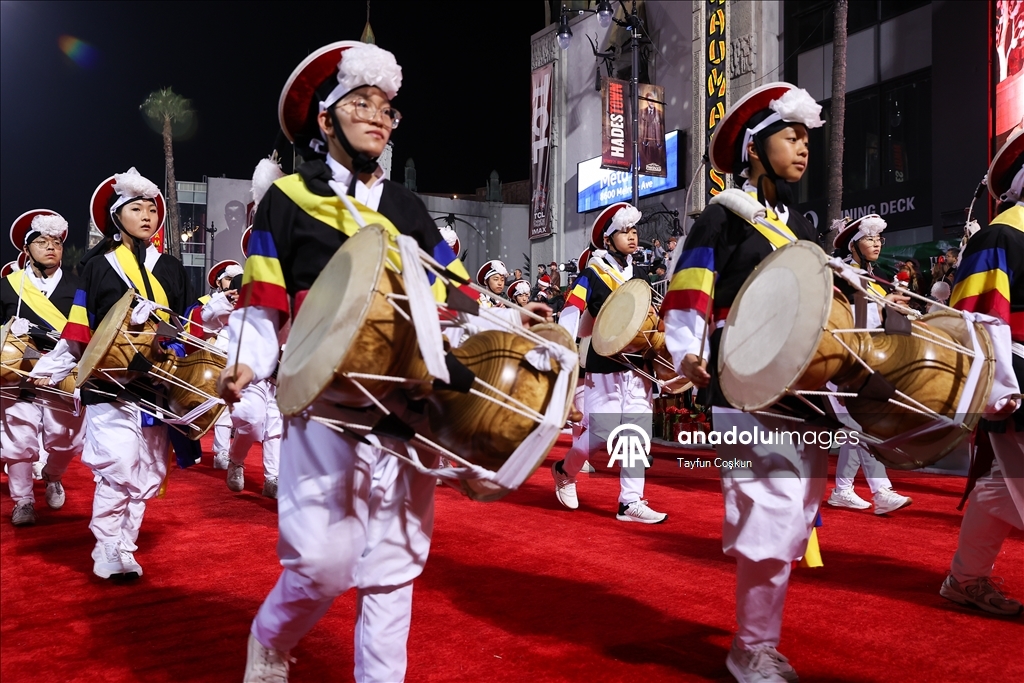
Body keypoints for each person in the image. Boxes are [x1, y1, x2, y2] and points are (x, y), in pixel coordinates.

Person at [216, 41, 470, 683]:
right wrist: (246, 362)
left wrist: (499, 319)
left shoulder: (408, 207)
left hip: (405, 406)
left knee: (392, 570)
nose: (379, 117)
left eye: (388, 107)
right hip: (324, 404)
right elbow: (264, 301)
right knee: (325, 563)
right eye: (362, 102)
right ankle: (270, 639)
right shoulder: (288, 200)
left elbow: (453, 289)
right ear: (325, 119)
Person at [663, 83, 826, 682]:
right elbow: (690, 288)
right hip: (742, 375)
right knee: (770, 505)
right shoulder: (724, 216)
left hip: (799, 384)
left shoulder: (801, 224)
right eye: (791, 136)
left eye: (806, 137)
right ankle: (750, 647)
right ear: (755, 150)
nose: (803, 148)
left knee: (795, 508)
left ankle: (762, 639)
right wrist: (685, 354)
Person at [30, 168, 192, 580]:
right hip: (108, 383)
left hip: (156, 385)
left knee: (148, 474)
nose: (147, 216)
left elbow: (185, 324)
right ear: (117, 217)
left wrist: (171, 338)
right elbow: (79, 327)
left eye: (152, 209)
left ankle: (125, 545)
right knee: (119, 463)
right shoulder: (99, 266)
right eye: (136, 208)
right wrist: (55, 365)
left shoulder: (172, 267)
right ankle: (105, 544)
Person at [940, 128, 1024, 617]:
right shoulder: (1002, 234)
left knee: (1002, 487)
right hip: (1019, 381)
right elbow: (977, 320)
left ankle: (966, 578)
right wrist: (999, 390)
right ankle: (965, 577)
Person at [551, 201, 668, 524]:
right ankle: (564, 470)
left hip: (638, 364)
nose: (633, 236)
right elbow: (572, 311)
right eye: (625, 231)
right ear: (608, 238)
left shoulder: (640, 273)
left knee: (635, 431)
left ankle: (629, 502)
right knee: (601, 433)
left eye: (634, 230)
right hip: (605, 361)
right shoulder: (593, 273)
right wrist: (564, 350)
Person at [1, 210, 84, 526]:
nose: (51, 247)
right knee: (19, 438)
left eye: (57, 242)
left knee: (67, 440)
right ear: (26, 249)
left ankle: (53, 474)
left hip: (63, 372)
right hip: (18, 371)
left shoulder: (79, 287)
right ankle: (22, 500)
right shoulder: (8, 287)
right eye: (42, 241)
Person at [826, 215, 913, 515]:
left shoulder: (872, 278)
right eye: (869, 238)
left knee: (855, 431)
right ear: (853, 245)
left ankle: (842, 490)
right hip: (844, 363)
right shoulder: (844, 275)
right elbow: (851, 323)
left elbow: (878, 323)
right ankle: (882, 491)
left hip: (867, 362)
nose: (876, 243)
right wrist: (887, 307)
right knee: (864, 428)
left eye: (879, 239)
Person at [215, 159, 286, 499]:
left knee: (277, 428)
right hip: (258, 368)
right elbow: (234, 318)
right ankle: (236, 459)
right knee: (253, 422)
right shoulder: (250, 277)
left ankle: (273, 477)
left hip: (291, 369)